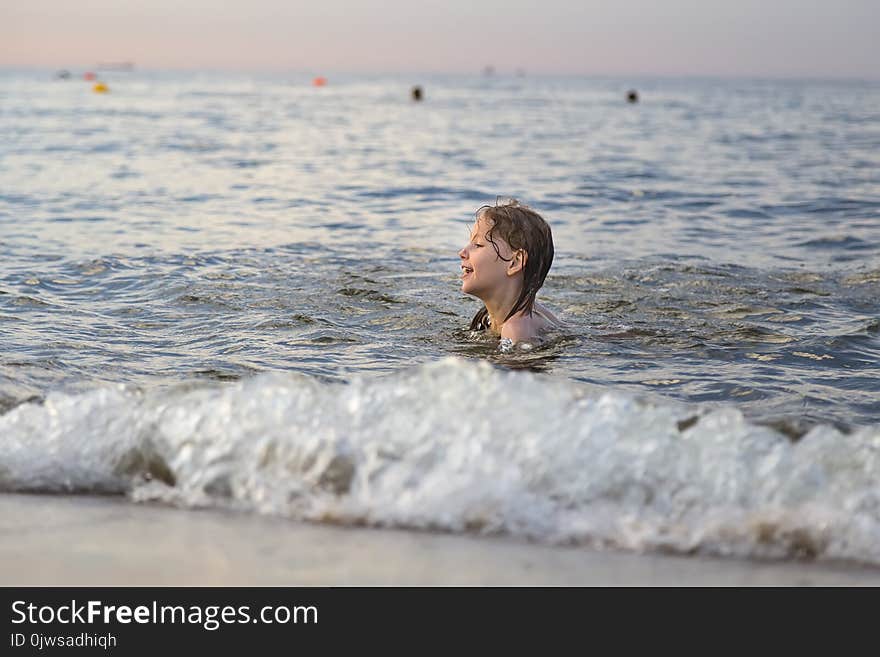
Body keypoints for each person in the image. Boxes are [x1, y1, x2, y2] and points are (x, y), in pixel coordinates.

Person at [458, 199, 561, 346]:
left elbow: (516, 369)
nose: (462, 252)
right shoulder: (490, 316)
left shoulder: (515, 330)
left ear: (515, 262)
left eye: (478, 245)